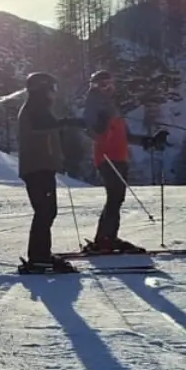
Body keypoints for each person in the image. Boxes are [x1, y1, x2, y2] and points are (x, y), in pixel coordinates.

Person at [79, 70, 168, 254]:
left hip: (119, 157)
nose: (109, 88)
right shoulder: (94, 104)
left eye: (111, 84)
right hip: (107, 157)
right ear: (95, 86)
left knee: (116, 198)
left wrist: (148, 141)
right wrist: (100, 127)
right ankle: (105, 239)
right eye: (104, 84)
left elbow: (124, 136)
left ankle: (107, 237)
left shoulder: (110, 105)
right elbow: (90, 131)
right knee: (115, 197)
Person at [17, 72, 86, 274]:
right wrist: (67, 122)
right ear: (42, 89)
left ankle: (41, 255)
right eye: (52, 88)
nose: (54, 94)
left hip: (41, 166)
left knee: (47, 211)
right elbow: (41, 127)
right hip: (37, 167)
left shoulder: (39, 108)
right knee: (45, 211)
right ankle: (38, 257)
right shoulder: (35, 107)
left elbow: (47, 129)